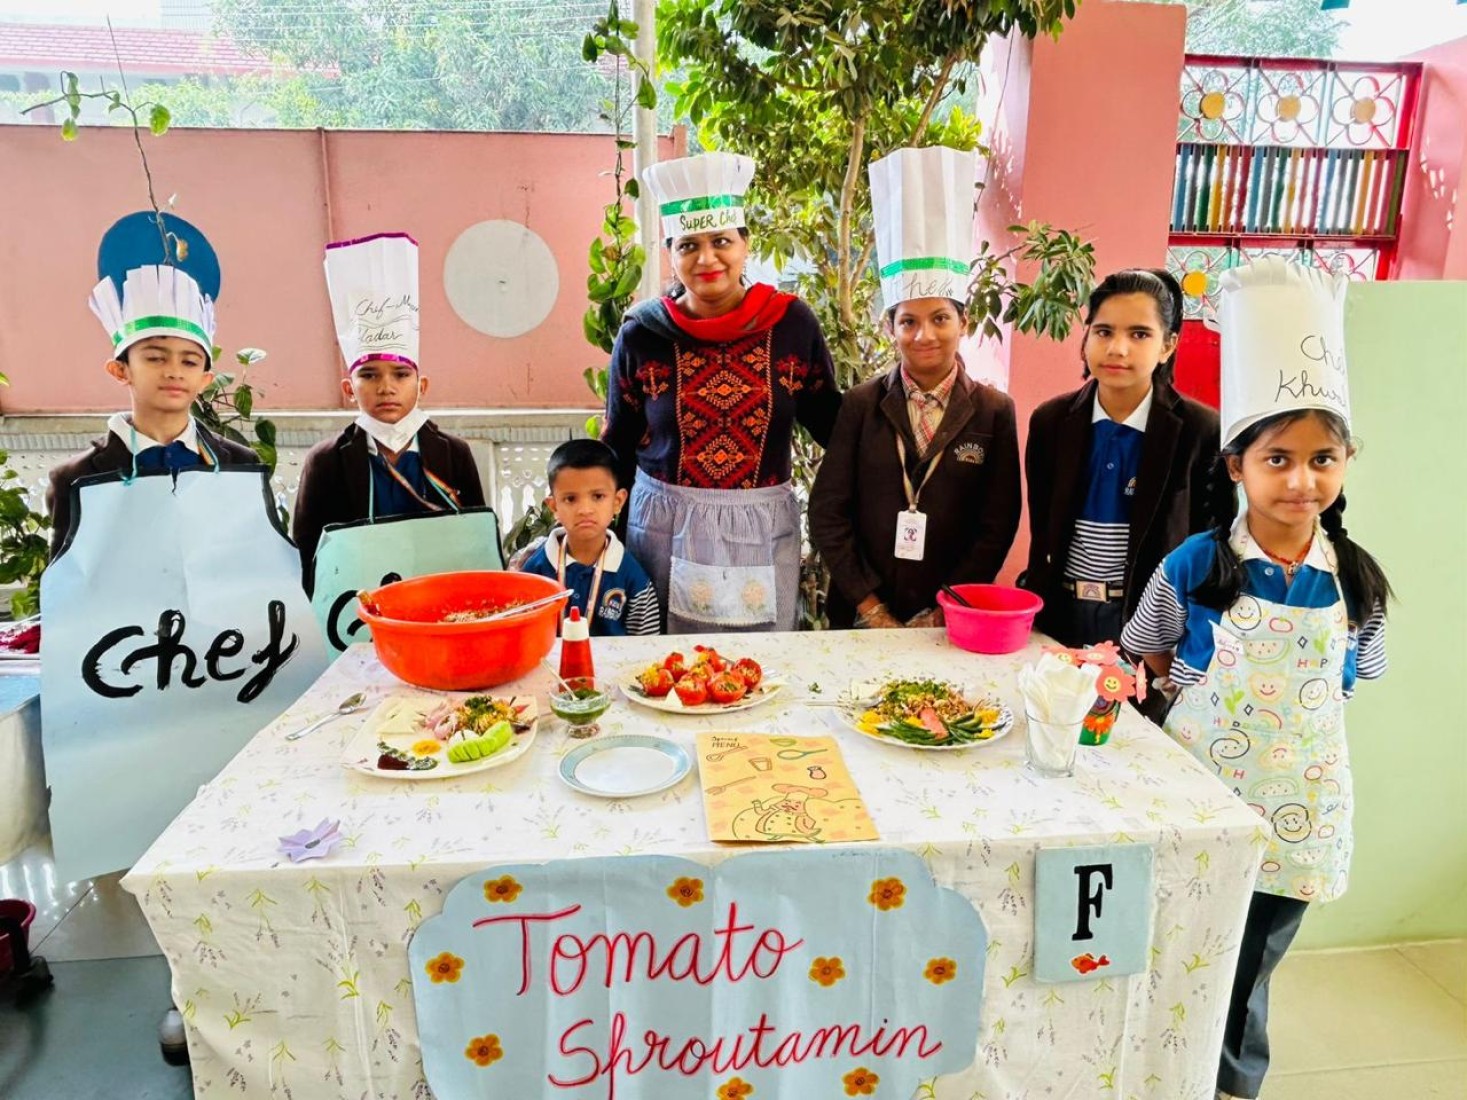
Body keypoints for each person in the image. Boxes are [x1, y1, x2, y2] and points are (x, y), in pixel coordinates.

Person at [1121, 259, 1389, 1100]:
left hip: (1302, 806)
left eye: (1322, 459)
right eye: (1278, 458)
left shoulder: (1357, 579)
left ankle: (1229, 1086)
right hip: (1198, 793)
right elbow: (1146, 650)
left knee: (1248, 968)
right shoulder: (1193, 564)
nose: (1301, 481)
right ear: (1237, 464)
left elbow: (1357, 674)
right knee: (1178, 943)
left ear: (1346, 460)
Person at [603, 152, 841, 633]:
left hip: (759, 530)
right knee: (660, 662)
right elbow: (617, 446)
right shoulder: (641, 334)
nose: (706, 258)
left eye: (721, 241)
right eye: (689, 245)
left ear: (745, 244)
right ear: (671, 253)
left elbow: (831, 423)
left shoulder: (791, 324)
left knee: (761, 665)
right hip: (664, 529)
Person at [809, 145, 1020, 628]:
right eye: (908, 321)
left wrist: (946, 608)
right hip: (860, 616)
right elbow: (827, 512)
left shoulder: (993, 411)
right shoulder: (861, 404)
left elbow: (996, 525)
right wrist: (871, 608)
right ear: (890, 327)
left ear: (964, 321)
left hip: (949, 617)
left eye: (940, 318)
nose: (924, 335)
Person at [1022, 268, 1218, 648]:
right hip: (1060, 615)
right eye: (1103, 331)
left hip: (1150, 623)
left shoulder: (1200, 430)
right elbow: (1042, 527)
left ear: (1168, 345)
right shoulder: (1051, 422)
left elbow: (1211, 540)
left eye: (1139, 334)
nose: (1117, 348)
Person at [293, 233, 486, 596]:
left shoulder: (453, 454)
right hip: (356, 607)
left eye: (400, 375)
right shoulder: (326, 462)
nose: (386, 387)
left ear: (422, 385)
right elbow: (307, 554)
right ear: (348, 388)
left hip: (440, 603)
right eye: (369, 375)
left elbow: (477, 542)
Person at [47, 258, 257, 560]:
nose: (174, 371)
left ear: (205, 380)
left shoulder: (241, 464)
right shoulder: (76, 477)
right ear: (120, 370)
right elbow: (67, 579)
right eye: (156, 358)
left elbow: (254, 563)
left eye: (189, 362)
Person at [520, 438, 660, 636]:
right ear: (554, 507)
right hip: (552, 657)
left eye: (598, 496)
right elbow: (522, 631)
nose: (585, 510)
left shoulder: (632, 576)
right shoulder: (535, 570)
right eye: (570, 499)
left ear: (618, 501)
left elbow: (647, 642)